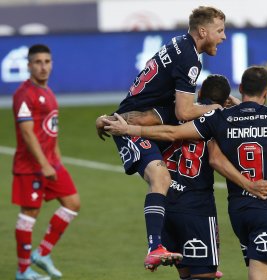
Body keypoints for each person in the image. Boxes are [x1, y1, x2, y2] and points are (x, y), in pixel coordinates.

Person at [102, 66, 267, 280]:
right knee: (222, 274)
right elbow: (215, 158)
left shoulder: (202, 117)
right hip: (218, 206)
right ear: (266, 91)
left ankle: (155, 246)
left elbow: (168, 132)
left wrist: (122, 127)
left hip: (172, 202)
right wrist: (249, 184)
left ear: (199, 95)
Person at [96, 6, 226, 271]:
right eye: (220, 30)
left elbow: (159, 106)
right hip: (130, 125)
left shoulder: (179, 44)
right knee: (162, 177)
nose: (224, 37)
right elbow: (184, 111)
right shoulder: (190, 57)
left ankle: (183, 250)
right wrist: (219, 110)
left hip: (141, 116)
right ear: (203, 31)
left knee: (179, 168)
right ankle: (155, 246)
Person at [138, 74, 267, 279]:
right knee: (204, 275)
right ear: (226, 99)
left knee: (186, 274)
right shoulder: (220, 121)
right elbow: (219, 158)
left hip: (166, 203)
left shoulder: (178, 113)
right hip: (196, 207)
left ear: (199, 93)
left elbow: (164, 133)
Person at [12, 44, 80, 280]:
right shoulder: (24, 94)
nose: (43, 67)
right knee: (29, 215)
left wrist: (57, 161)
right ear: (29, 65)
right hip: (30, 166)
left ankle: (42, 253)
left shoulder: (48, 92)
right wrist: (43, 164)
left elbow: (51, 130)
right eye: (38, 62)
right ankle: (23, 272)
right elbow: (28, 133)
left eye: (47, 62)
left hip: (51, 163)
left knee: (72, 203)